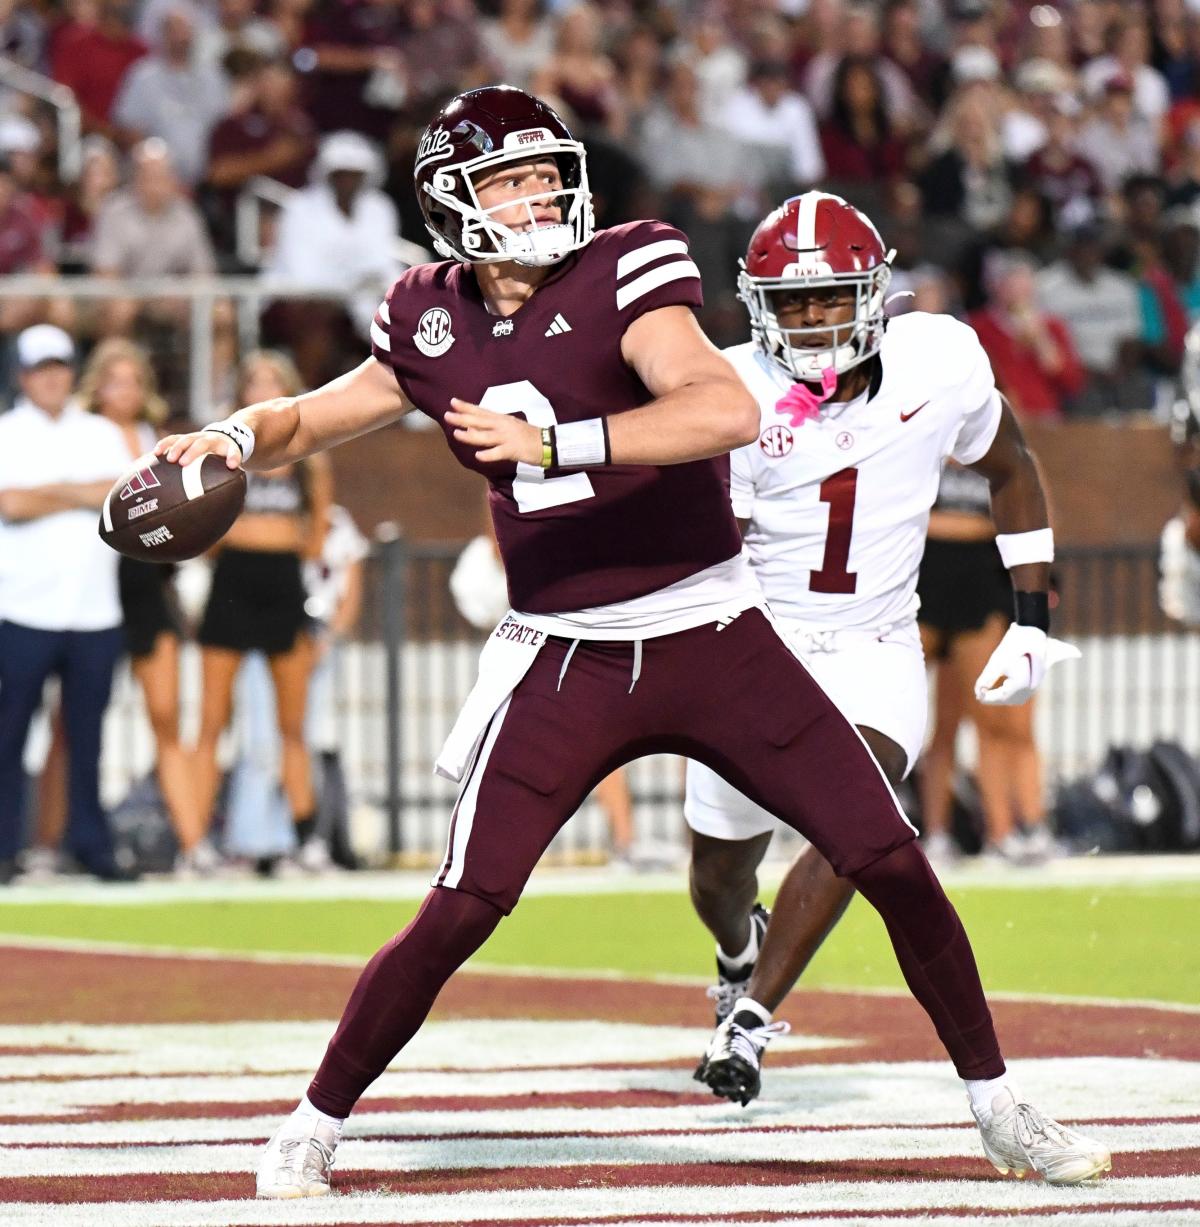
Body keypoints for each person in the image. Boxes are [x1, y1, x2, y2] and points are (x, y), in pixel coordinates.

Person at [157, 87, 1110, 1196]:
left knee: (887, 854)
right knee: (465, 902)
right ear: (451, 203)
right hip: (566, 652)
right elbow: (322, 413)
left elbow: (717, 408)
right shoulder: (425, 310)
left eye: (549, 172)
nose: (542, 195)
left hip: (709, 623)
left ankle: (999, 1107)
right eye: (512, 180)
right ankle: (312, 1121)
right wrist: (229, 435)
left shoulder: (630, 265)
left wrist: (554, 439)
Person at [684, 191, 1081, 1094]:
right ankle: (737, 952)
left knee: (855, 812)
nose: (815, 319)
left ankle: (746, 1027)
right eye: (793, 301)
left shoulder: (938, 359)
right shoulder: (729, 387)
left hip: (873, 640)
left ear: (875, 294)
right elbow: (711, 549)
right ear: (758, 306)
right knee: (716, 872)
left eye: (831, 298)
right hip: (753, 642)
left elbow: (1011, 465)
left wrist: (1030, 617)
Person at [0, 325, 134, 883]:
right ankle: (6, 849)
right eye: (40, 368)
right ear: (22, 376)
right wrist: (80, 491)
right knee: (9, 735)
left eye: (59, 366)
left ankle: (90, 846)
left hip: (94, 611)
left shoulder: (102, 431)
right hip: (22, 610)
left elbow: (122, 494)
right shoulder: (7, 431)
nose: (51, 377)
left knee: (88, 739)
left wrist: (49, 493)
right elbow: (11, 503)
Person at [192, 350, 333, 873]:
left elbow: (316, 535)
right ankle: (195, 844)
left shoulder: (309, 455)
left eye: (273, 380)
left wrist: (315, 605)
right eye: (253, 380)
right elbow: (200, 532)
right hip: (231, 580)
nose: (261, 387)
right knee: (211, 722)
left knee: (292, 726)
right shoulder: (218, 452)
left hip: (283, 585)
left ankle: (306, 840)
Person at [916, 462, 1063, 865]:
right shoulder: (926, 440)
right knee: (929, 725)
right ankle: (933, 833)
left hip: (978, 591)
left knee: (991, 717)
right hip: (922, 585)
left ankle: (1002, 832)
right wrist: (979, 527)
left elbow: (1033, 516)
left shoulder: (1002, 454)